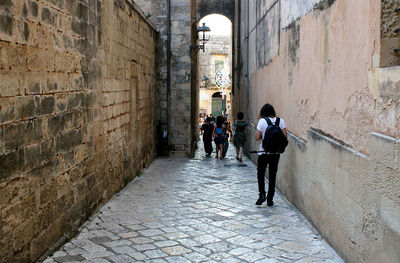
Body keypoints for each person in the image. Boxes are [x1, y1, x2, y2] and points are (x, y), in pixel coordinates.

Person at [255, 103, 287, 206]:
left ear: (263, 112)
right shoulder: (280, 121)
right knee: (272, 175)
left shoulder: (262, 121)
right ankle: (270, 199)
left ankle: (262, 194)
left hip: (263, 152)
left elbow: (257, 137)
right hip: (275, 153)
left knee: (261, 173)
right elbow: (285, 137)